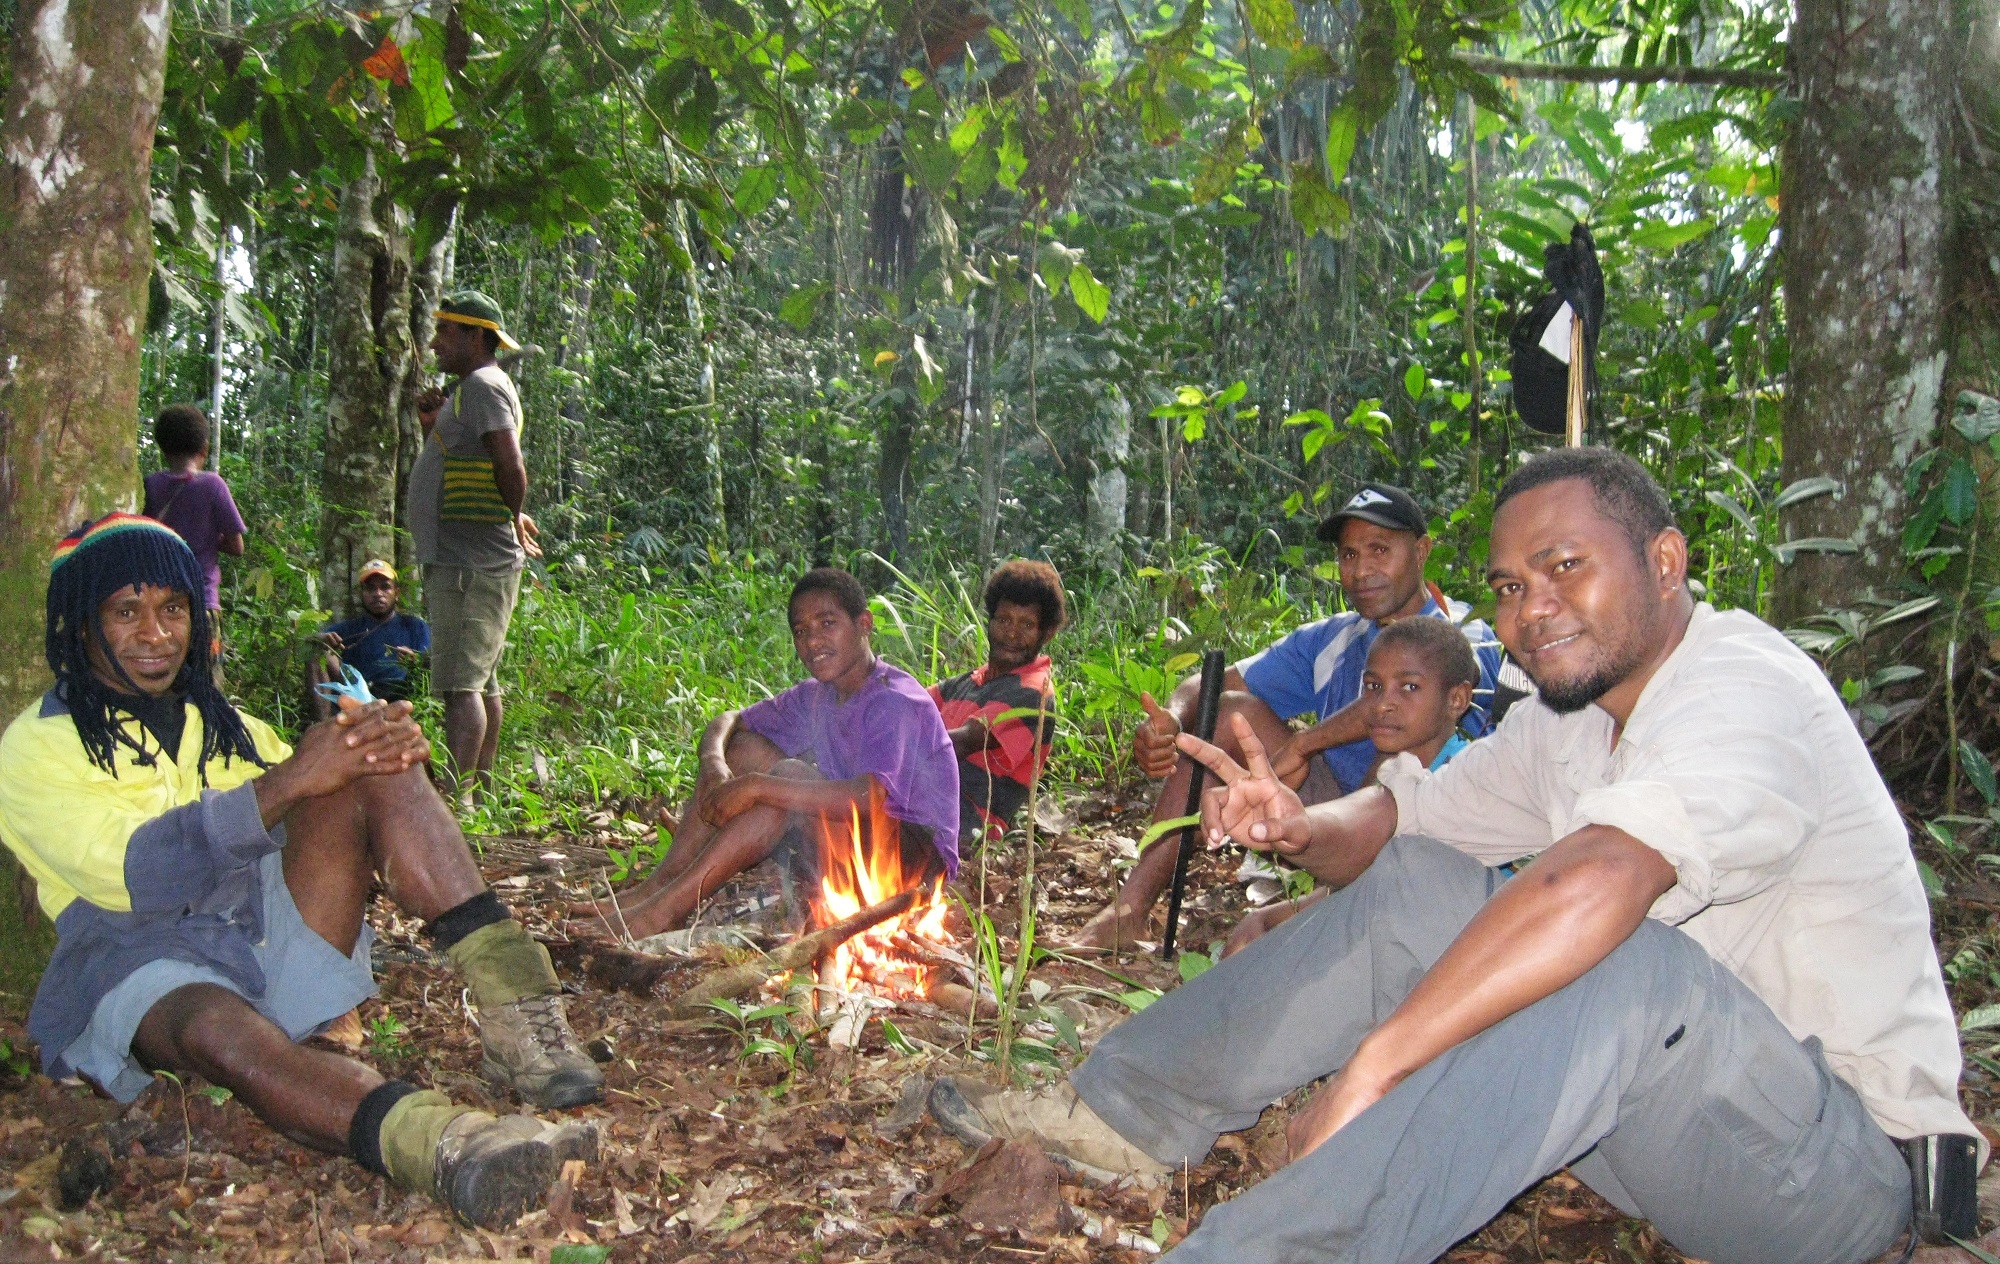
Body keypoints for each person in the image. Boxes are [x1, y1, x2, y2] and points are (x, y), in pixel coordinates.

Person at [931, 448, 1976, 1264]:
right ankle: (1119, 1109)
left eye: (1563, 567)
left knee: (1629, 963)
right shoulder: (1571, 719)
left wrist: (1376, 1064)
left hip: (1833, 1178)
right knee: (1431, 885)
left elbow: (1602, 878)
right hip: (1658, 1132)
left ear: (1664, 563)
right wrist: (1297, 827)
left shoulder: (1746, 688)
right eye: (1509, 587)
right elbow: (1404, 827)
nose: (1530, 610)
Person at [0, 515, 605, 1229]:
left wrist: (367, 743)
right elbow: (137, 877)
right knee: (218, 1032)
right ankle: (444, 1144)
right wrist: (291, 780)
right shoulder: (36, 746)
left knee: (363, 755)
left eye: (172, 608)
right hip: (139, 963)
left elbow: (307, 811)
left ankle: (520, 1014)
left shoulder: (221, 723)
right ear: (81, 625)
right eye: (126, 611)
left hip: (260, 938)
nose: (156, 633)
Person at [1071, 482, 1504, 949]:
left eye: (1380, 550)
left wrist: (1305, 743)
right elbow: (1216, 684)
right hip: (1322, 810)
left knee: (1397, 754)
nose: (1361, 570)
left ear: (1421, 552)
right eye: (1349, 555)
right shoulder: (1334, 637)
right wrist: (1172, 719)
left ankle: (1332, 902)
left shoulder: (1465, 634)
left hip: (1416, 823)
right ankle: (1130, 910)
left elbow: (1411, 710)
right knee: (1228, 714)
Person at [585, 568, 960, 939]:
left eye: (827, 623)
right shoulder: (819, 694)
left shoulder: (893, 700)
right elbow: (730, 720)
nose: (813, 641)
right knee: (745, 751)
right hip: (857, 847)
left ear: (864, 624)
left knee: (784, 782)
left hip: (913, 871)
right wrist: (714, 762)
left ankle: (661, 912)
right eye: (801, 631)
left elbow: (870, 799)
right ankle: (658, 886)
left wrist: (758, 788)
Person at [1222, 614, 1481, 958]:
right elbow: (1353, 884)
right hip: (1377, 922)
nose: (1383, 703)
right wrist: (1272, 918)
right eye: (1373, 687)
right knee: (1256, 931)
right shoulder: (1387, 769)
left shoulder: (1459, 777)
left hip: (1445, 946)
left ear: (1457, 700)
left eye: (1409, 687)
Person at [406, 292, 541, 799]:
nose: (436, 342)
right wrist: (432, 427)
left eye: (446, 331)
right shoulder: (472, 390)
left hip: (470, 562)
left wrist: (511, 513)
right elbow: (475, 465)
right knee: (480, 683)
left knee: (462, 688)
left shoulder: (482, 387)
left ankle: (457, 802)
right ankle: (480, 793)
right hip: (466, 557)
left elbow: (510, 463)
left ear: (475, 337)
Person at [928, 561, 1065, 846]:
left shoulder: (1033, 692)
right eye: (1004, 620)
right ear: (990, 622)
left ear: (1046, 633)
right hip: (929, 800)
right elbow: (907, 707)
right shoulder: (967, 682)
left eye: (1026, 624)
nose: (1012, 634)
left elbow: (963, 742)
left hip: (966, 823)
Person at [141, 404, 246, 653]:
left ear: (163, 449)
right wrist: (209, 537)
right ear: (204, 449)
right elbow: (237, 546)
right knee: (206, 679)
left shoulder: (150, 485)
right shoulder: (212, 485)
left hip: (159, 603)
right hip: (202, 602)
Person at [309, 560, 431, 718]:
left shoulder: (414, 626)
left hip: (400, 694)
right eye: (371, 588)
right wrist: (320, 639)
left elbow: (428, 664)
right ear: (362, 594)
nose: (378, 593)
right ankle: (322, 725)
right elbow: (309, 642)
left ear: (396, 592)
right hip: (357, 695)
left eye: (385, 587)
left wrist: (414, 661)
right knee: (317, 650)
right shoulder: (348, 628)